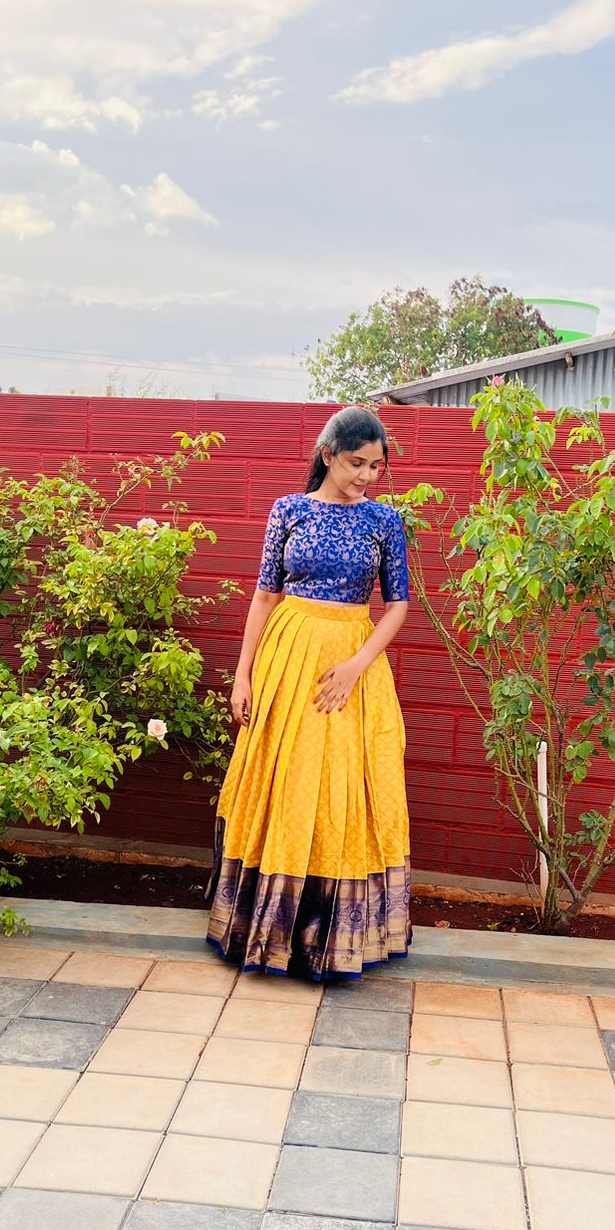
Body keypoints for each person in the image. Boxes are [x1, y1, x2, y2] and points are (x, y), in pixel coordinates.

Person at [206, 406, 412, 981]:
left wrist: (355, 665)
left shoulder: (384, 521)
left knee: (342, 787)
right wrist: (243, 675)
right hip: (288, 655)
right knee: (287, 780)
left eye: (377, 466)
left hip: (352, 659)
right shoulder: (289, 511)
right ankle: (265, 929)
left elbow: (397, 604)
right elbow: (265, 596)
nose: (368, 477)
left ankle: (328, 934)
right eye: (356, 463)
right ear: (327, 455)